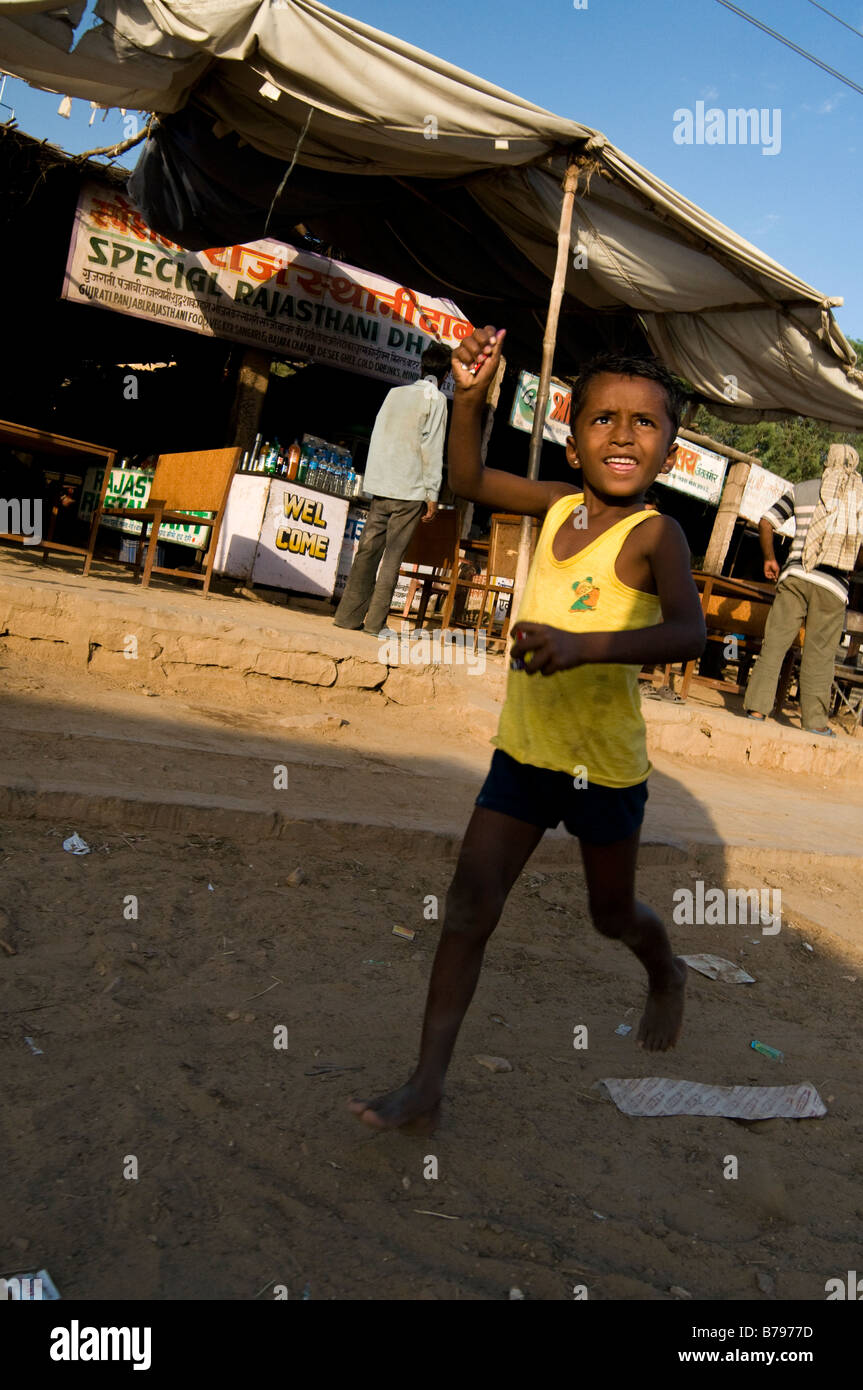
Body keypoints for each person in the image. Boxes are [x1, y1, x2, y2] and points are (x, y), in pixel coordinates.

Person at [348, 333, 707, 1133]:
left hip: (605, 771)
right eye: (603, 419)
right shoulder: (553, 507)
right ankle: (426, 1086)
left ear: (670, 449)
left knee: (610, 916)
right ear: (569, 432)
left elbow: (689, 634)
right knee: (469, 905)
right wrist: (470, 397)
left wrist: (583, 646)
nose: (622, 435)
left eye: (645, 424)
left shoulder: (655, 536)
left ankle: (665, 970)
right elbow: (464, 477)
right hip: (524, 756)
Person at [743, 444, 863, 736]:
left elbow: (767, 521)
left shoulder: (804, 489)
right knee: (820, 654)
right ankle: (815, 722)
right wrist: (850, 564)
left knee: (775, 643)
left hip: (795, 575)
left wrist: (770, 558)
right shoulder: (859, 500)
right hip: (832, 587)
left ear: (828, 462)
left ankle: (757, 708)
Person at [333, 341, 451, 638]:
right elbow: (432, 447)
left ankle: (347, 618)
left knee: (367, 552)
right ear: (445, 374)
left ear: (421, 367)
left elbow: (380, 435)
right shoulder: (437, 399)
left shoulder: (394, 394)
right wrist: (432, 494)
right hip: (410, 490)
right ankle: (374, 624)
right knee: (392, 557)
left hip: (382, 486)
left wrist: (375, 478)